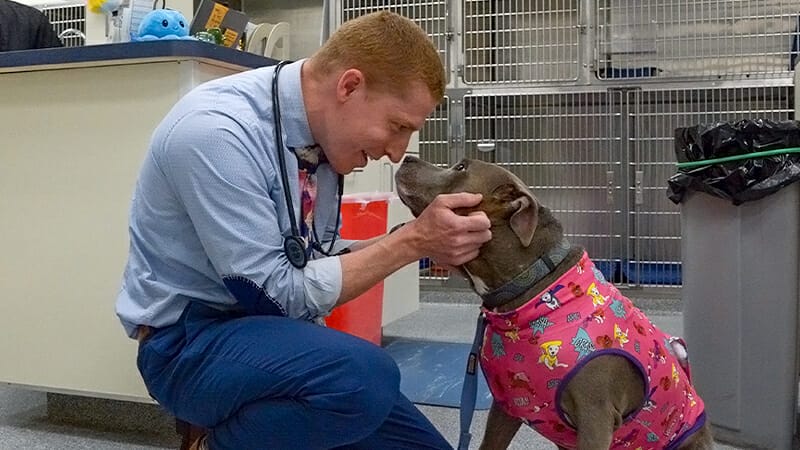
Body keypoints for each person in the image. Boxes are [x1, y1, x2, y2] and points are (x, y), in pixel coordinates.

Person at [115, 10, 491, 450]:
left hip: (276, 338)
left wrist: (427, 248)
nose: (396, 152)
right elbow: (277, 294)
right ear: (349, 86)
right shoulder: (215, 133)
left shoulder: (316, 141)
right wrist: (410, 242)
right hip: (188, 345)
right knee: (363, 379)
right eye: (398, 126)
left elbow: (312, 258)